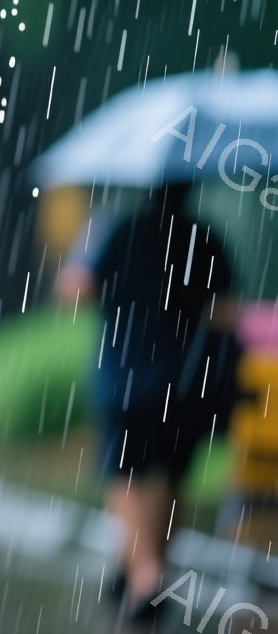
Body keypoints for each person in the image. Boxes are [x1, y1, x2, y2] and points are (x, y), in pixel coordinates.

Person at [54, 180, 242, 623]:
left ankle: (144, 573)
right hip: (184, 380)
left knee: (123, 475)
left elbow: (76, 290)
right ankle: (145, 567)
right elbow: (227, 311)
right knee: (171, 476)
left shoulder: (118, 229)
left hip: (124, 375)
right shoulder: (204, 237)